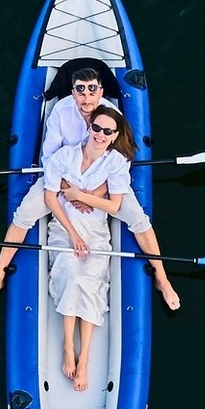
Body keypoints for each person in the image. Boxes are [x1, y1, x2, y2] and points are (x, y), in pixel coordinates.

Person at [0, 68, 182, 312]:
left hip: (102, 182)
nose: (86, 97)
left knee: (139, 220)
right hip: (62, 178)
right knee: (24, 215)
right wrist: (67, 191)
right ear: (73, 93)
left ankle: (162, 278)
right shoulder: (61, 112)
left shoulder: (111, 117)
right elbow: (49, 159)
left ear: (100, 92)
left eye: (92, 90)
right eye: (80, 91)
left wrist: (91, 196)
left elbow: (122, 159)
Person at [42, 105, 135, 390]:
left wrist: (80, 195)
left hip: (95, 230)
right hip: (65, 227)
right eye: (97, 128)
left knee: (90, 280)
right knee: (72, 272)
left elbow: (115, 206)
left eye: (108, 131)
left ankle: (85, 360)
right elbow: (50, 198)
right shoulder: (65, 156)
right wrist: (72, 234)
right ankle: (69, 345)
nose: (101, 134)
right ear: (89, 128)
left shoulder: (116, 162)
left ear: (114, 135)